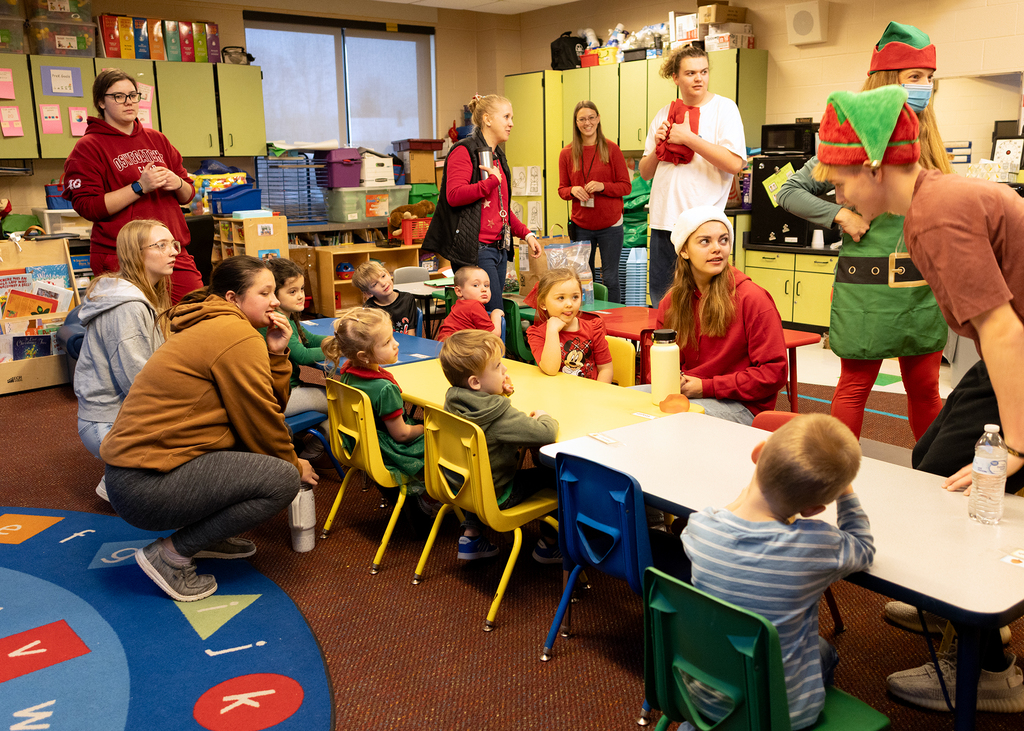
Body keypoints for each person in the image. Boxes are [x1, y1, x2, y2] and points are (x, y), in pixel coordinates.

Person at [812, 84, 1024, 711]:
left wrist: (1013, 446)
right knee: (931, 452)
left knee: (957, 483)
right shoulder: (929, 200)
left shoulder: (936, 212)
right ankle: (950, 606)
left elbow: (1004, 330)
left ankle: (989, 667)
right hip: (1009, 347)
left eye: (842, 179)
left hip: (1018, 343)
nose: (838, 193)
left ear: (875, 167)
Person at [100, 256, 318, 602]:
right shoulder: (234, 334)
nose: (275, 301)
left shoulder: (214, 321)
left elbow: (264, 404)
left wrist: (277, 355)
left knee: (252, 452)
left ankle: (208, 537)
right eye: (264, 293)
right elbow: (263, 420)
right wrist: (294, 463)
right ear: (233, 298)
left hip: (139, 475)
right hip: (144, 485)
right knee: (281, 479)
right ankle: (170, 555)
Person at [777, 21, 948, 442]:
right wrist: (842, 216)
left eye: (928, 78)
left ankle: (933, 474)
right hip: (866, 289)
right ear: (888, 81)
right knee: (854, 386)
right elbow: (788, 191)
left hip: (922, 290)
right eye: (914, 78)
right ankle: (836, 478)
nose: (923, 87)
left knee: (925, 390)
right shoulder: (852, 133)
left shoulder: (932, 140)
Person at [672, 414, 872, 729]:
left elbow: (728, 512)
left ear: (757, 454)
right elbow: (864, 548)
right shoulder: (816, 545)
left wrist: (749, 491)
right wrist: (845, 490)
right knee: (824, 651)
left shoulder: (701, 527)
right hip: (780, 714)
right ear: (813, 509)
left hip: (702, 700)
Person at [63, 69, 201, 304]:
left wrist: (176, 182)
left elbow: (187, 194)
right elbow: (88, 206)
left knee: (196, 314)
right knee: (136, 327)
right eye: (118, 96)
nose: (128, 102)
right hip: (123, 257)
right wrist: (139, 187)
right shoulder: (88, 147)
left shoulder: (157, 139)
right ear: (100, 102)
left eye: (133, 95)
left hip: (171, 252)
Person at [654, 207, 787, 425]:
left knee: (672, 421)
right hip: (687, 395)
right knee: (629, 404)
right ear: (684, 251)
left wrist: (707, 387)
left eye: (723, 240)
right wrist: (672, 379)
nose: (717, 249)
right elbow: (658, 364)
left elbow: (774, 373)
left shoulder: (753, 298)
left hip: (743, 406)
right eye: (705, 241)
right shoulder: (671, 303)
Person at [74, 219, 175, 503]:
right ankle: (119, 479)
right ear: (136, 253)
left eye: (173, 244)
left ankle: (127, 472)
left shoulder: (144, 295)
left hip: (121, 416)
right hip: (106, 423)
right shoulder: (128, 307)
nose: (174, 252)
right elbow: (138, 381)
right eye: (162, 245)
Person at [440, 330, 561, 563]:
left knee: (477, 469)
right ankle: (549, 545)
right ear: (475, 382)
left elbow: (490, 418)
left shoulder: (453, 399)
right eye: (497, 367)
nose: (504, 370)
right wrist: (545, 416)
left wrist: (500, 394)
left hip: (463, 487)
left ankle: (471, 536)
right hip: (498, 494)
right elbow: (545, 432)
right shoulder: (499, 416)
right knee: (554, 478)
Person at [638, 44, 746, 305]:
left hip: (702, 226)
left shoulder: (724, 108)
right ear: (675, 77)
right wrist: (659, 147)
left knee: (703, 300)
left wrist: (689, 139)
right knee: (663, 300)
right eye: (690, 73)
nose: (699, 78)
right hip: (664, 222)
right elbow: (645, 171)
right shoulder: (664, 113)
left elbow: (735, 164)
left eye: (704, 71)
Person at [422, 93, 543, 320]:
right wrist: (490, 182)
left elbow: (502, 210)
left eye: (512, 117)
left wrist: (526, 235)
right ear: (487, 119)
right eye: (506, 117)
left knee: (494, 315)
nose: (511, 123)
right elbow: (454, 196)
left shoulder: (498, 157)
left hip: (497, 248)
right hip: (474, 248)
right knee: (492, 317)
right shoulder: (463, 150)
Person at [322, 307, 434, 532]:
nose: (397, 344)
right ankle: (429, 498)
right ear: (364, 356)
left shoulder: (347, 370)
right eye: (386, 342)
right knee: (440, 439)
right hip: (387, 448)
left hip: (359, 445)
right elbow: (401, 434)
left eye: (393, 337)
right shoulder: (384, 389)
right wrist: (426, 427)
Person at [558, 100, 631, 304]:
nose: (587, 122)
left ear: (598, 119)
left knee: (610, 278)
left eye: (591, 117)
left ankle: (613, 318)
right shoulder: (567, 153)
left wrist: (603, 186)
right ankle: (586, 318)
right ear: (576, 122)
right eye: (582, 119)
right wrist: (572, 190)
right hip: (582, 226)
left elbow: (626, 186)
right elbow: (562, 189)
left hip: (611, 226)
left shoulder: (611, 149)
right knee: (582, 278)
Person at [258, 257, 329, 457]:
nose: (300, 296)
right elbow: (303, 355)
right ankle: (312, 453)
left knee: (337, 390)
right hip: (282, 394)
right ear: (274, 294)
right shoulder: (275, 320)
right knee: (342, 399)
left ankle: (303, 445)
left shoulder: (287, 315)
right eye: (292, 291)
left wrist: (340, 338)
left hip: (291, 387)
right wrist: (340, 347)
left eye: (302, 289)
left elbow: (310, 339)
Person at [525, 268, 613, 382]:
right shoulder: (538, 334)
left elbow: (606, 369)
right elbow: (551, 369)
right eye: (561, 298)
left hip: (590, 396)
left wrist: (598, 397)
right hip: (556, 395)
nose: (569, 304)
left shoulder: (593, 328)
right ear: (543, 303)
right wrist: (552, 331)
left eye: (575, 297)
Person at [353, 261, 419, 334]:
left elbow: (411, 333)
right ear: (368, 293)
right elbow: (370, 338)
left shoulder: (407, 299)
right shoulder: (369, 309)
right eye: (375, 284)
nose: (383, 283)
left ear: (388, 274)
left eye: (383, 276)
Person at [436, 265, 500, 340]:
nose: (484, 289)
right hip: (456, 347)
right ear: (459, 291)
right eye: (476, 285)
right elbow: (494, 336)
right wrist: (496, 314)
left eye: (486, 285)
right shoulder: (474, 306)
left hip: (444, 345)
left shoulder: (460, 304)